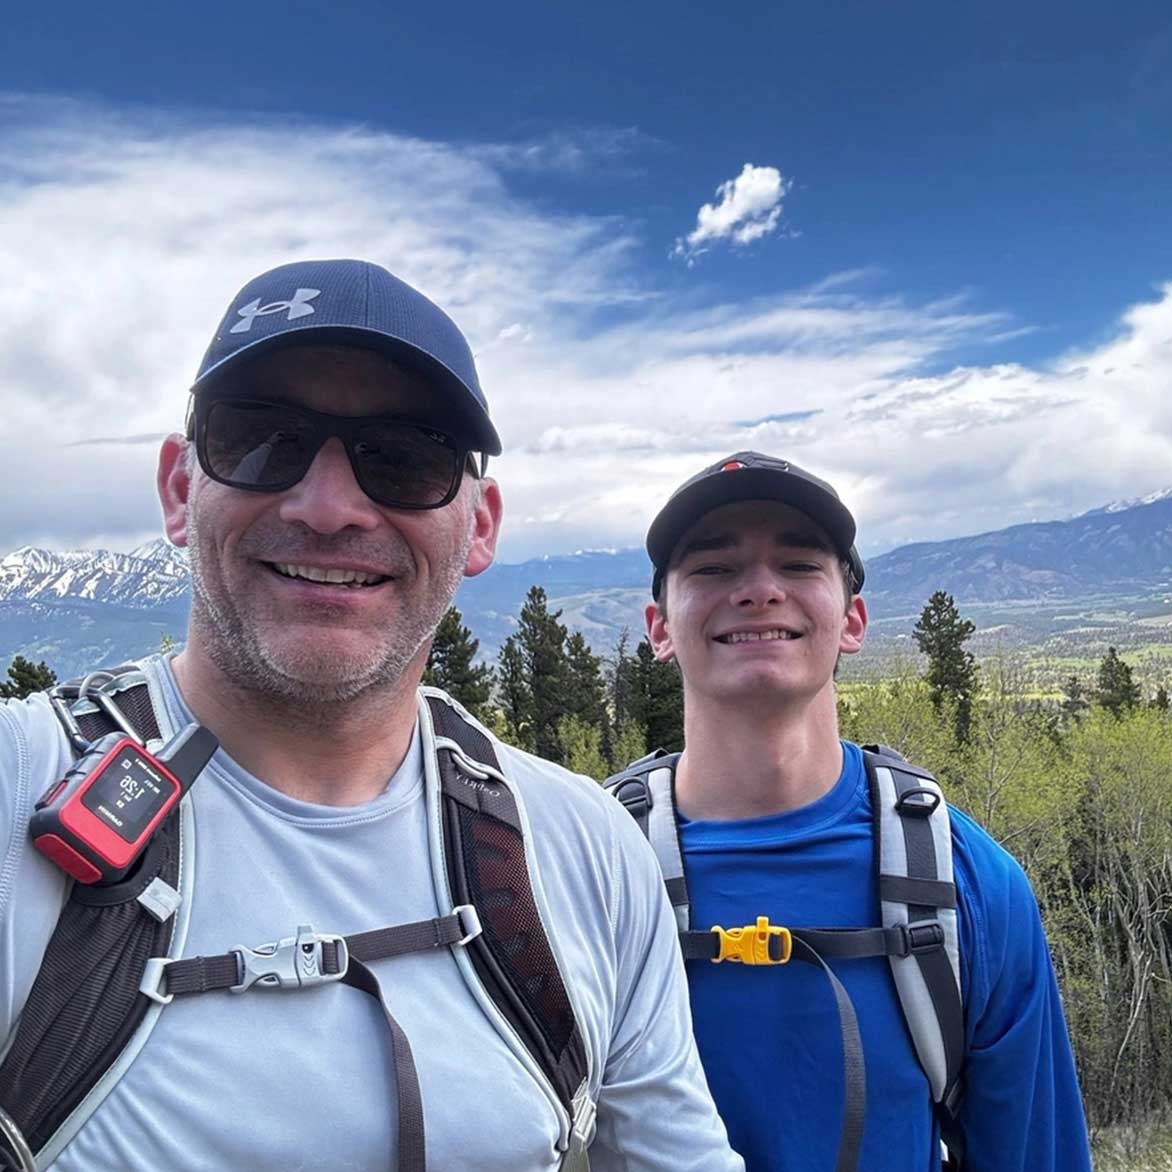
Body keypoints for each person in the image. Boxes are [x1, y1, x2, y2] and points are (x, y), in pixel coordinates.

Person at [0, 260, 743, 1172]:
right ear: (178, 490)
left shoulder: (584, 852)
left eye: (405, 457)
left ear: (481, 527)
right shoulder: (15, 796)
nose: (329, 507)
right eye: (264, 438)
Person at [607, 451, 1092, 1171]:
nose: (759, 590)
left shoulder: (969, 885)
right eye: (713, 568)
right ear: (659, 628)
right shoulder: (585, 873)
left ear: (853, 619)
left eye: (799, 565)